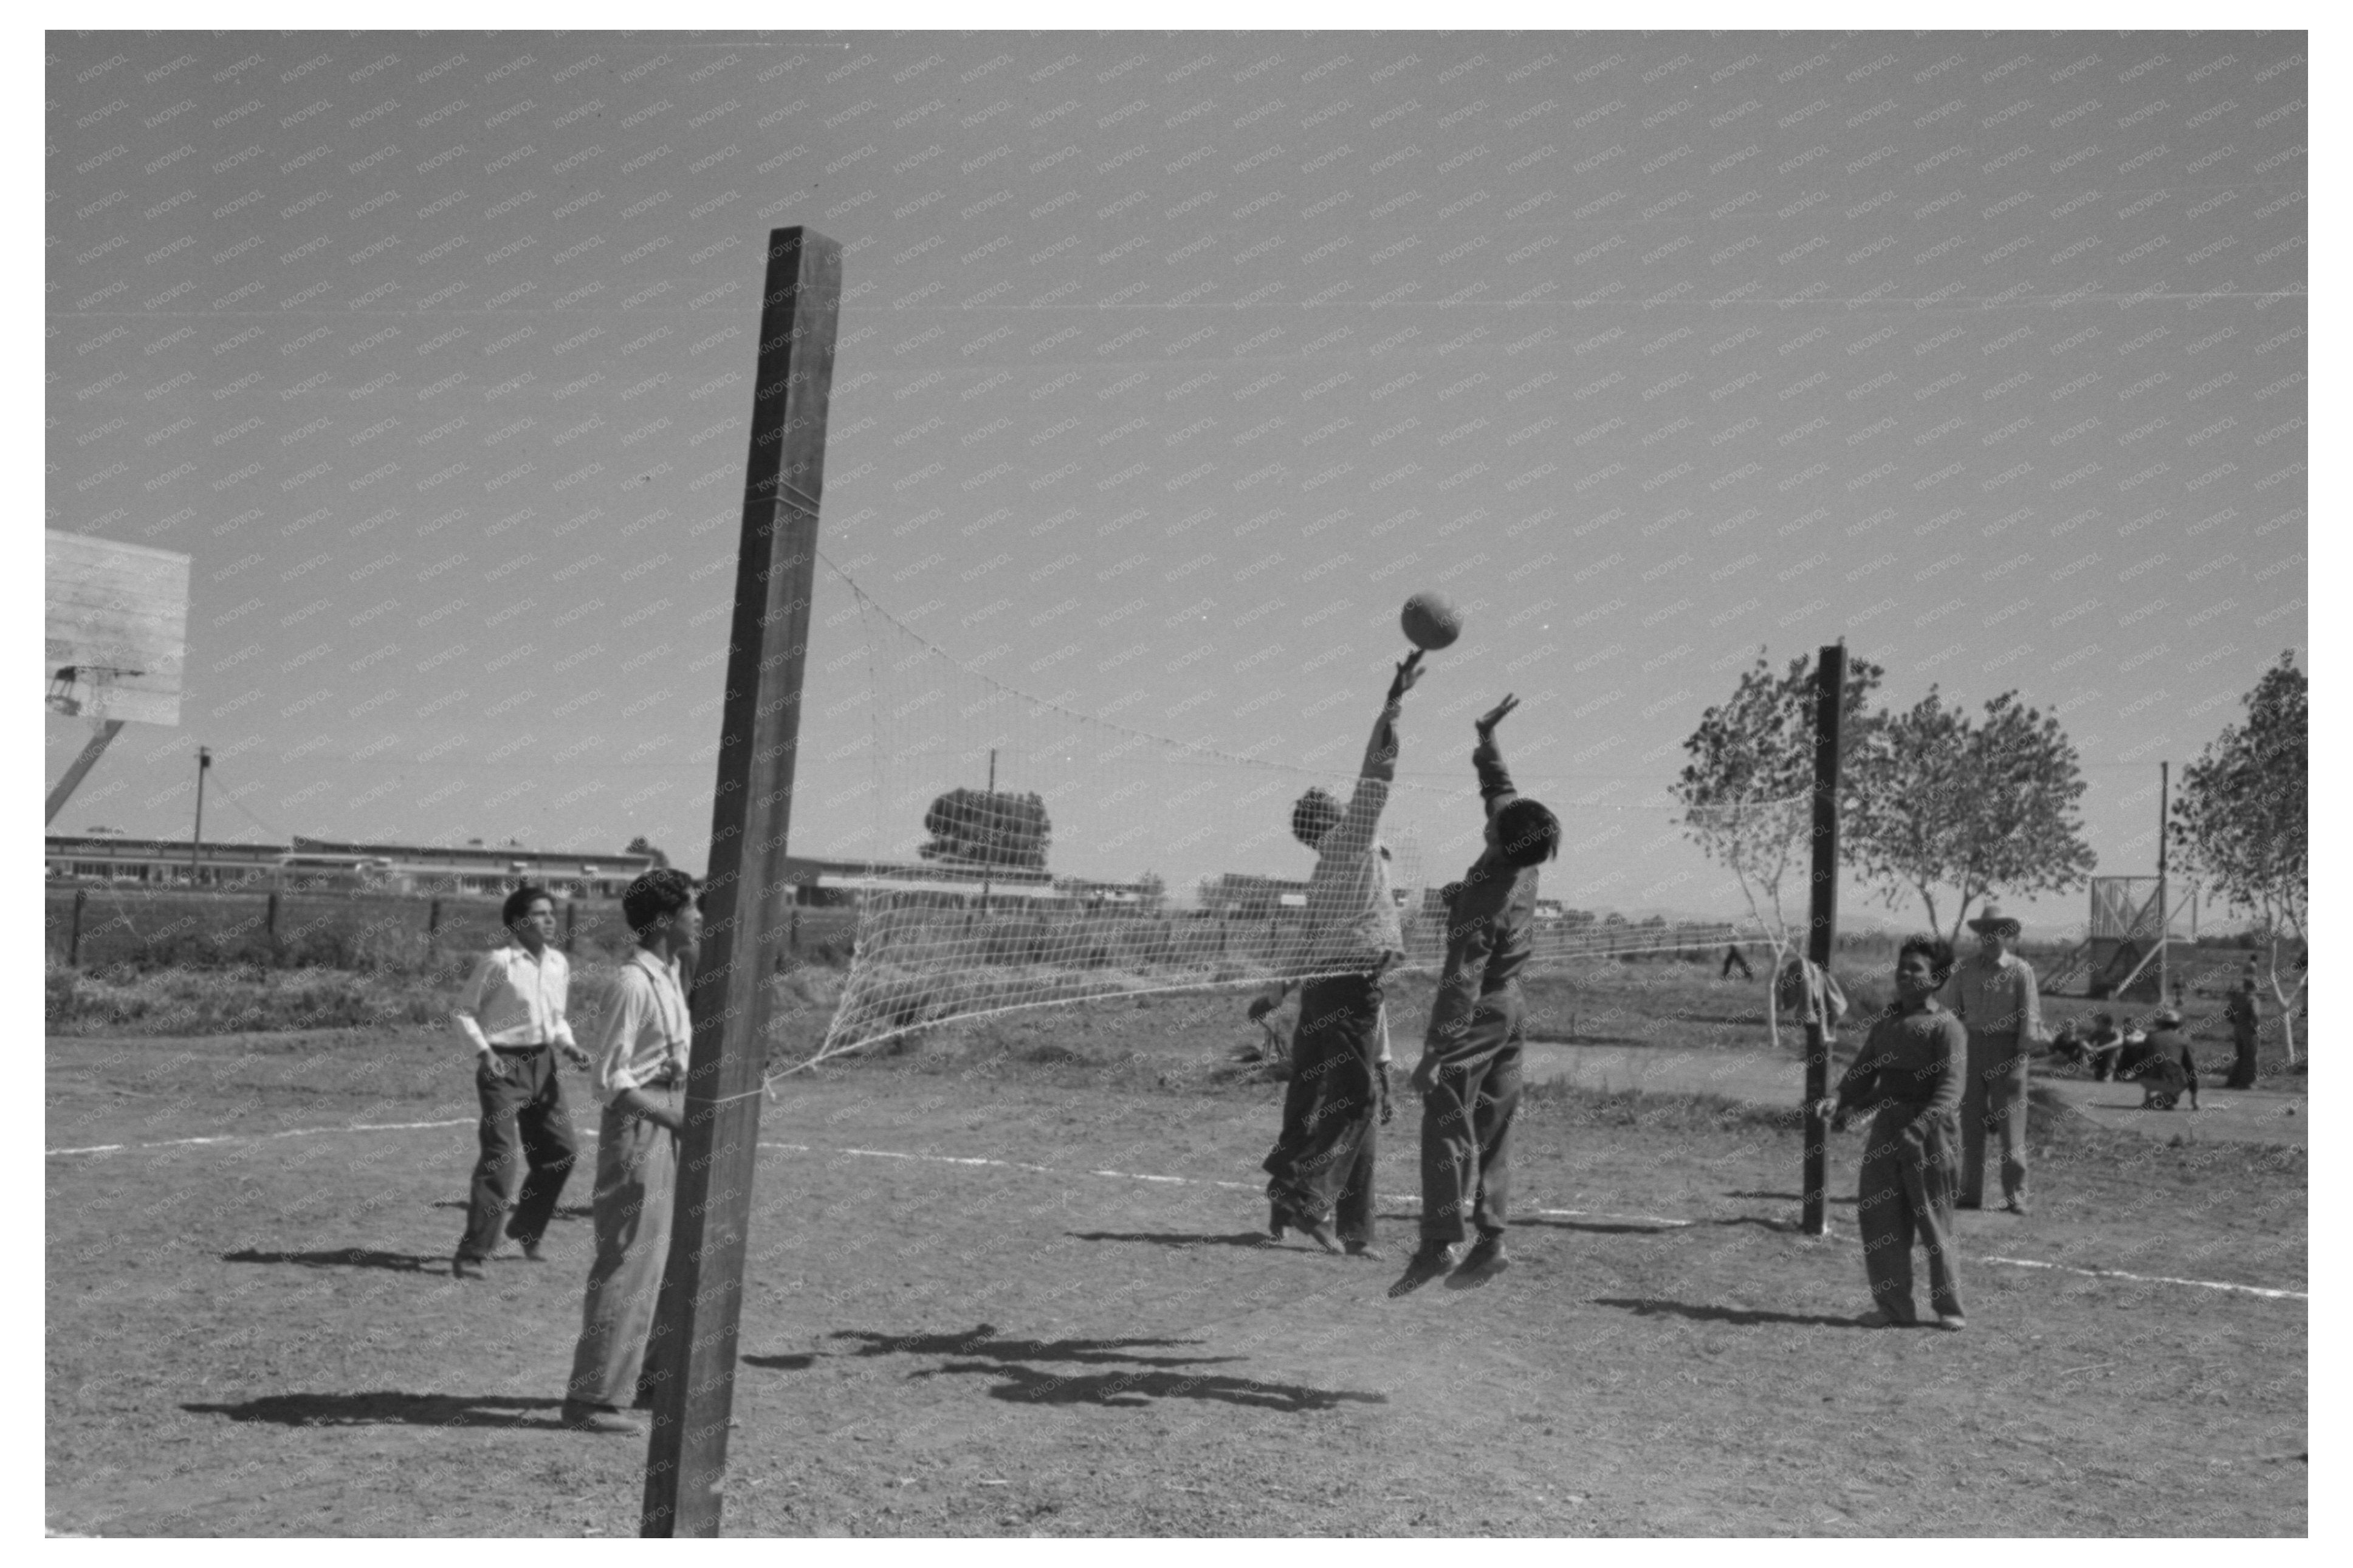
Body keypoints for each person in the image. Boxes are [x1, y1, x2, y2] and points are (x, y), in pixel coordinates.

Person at [1254, 650, 1424, 1258]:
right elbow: (1376, 775)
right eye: (1339, 802)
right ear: (1332, 817)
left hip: (1330, 988)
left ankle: (1349, 1226)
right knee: (1354, 1103)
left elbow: (1302, 943)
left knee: (1324, 1099)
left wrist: (1276, 992)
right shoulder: (1352, 841)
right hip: (1349, 986)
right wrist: (1391, 705)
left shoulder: (1327, 870)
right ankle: (1307, 1200)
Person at [1391, 694, 1561, 1297]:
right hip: (1514, 1008)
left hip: (1484, 1006)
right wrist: (1485, 736)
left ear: (1495, 837)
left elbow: (1461, 980)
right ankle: (1491, 1240)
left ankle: (1438, 1241)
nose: (1489, 815)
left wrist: (1434, 1056)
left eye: (1492, 819)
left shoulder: (1487, 893)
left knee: (1443, 1111)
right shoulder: (1525, 854)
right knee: (1493, 1123)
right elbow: (1501, 785)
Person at [562, 867, 701, 1435]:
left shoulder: (670, 974)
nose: (699, 917)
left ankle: (649, 1381)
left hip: (671, 1116)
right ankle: (591, 1398)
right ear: (666, 919)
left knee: (668, 1261)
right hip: (642, 1127)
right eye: (692, 908)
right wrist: (671, 1115)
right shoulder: (631, 983)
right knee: (628, 1259)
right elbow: (610, 1080)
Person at [1815, 935, 1967, 1330]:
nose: (1905, 973)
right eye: (1902, 966)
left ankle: (1949, 1308)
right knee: (1880, 1217)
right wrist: (1838, 1098)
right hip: (1887, 1129)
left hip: (1931, 1134)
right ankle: (1894, 1307)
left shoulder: (1947, 1027)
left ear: (1937, 977)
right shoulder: (1886, 1022)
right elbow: (1864, 1072)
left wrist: (1921, 1126)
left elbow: (1951, 1088)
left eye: (1916, 967)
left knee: (1934, 1220)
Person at [452, 886, 589, 1279]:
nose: (550, 920)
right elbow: (463, 1011)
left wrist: (570, 1046)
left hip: (543, 1063)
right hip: (501, 1064)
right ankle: (473, 1252)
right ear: (518, 922)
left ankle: (527, 1227)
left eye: (552, 913)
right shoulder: (499, 961)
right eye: (541, 913)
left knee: (562, 1152)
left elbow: (556, 1016)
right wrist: (485, 1054)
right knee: (501, 1156)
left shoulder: (559, 963)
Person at [1951, 904, 2043, 1215]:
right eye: (1986, 931)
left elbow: (2030, 1019)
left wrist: (2020, 1061)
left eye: (1999, 931)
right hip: (1971, 1046)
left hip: (2008, 1049)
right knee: (1970, 1124)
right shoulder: (1964, 970)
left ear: (2008, 935)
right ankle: (1969, 1193)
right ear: (1979, 935)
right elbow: (1950, 1013)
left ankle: (2016, 1196)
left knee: (2011, 1129)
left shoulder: (2020, 970)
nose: (1992, 937)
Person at [2121, 1006, 2201, 1112]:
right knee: (2182, 1070)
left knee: (2155, 1065)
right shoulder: (2184, 1039)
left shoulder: (2150, 1037)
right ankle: (2169, 1098)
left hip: (2145, 1080)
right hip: (2171, 1083)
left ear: (2159, 1024)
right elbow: (2192, 1069)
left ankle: (2150, 1098)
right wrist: (2194, 1101)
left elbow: (2141, 1058)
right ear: (2179, 1025)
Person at [2223, 979, 2262, 1089]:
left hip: (2238, 1030)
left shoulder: (2238, 998)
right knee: (2251, 1057)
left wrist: (2236, 1023)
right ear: (2254, 987)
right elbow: (2255, 1014)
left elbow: (2227, 1013)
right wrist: (2256, 1026)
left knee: (2241, 1056)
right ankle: (2247, 1083)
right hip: (2249, 1031)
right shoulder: (2254, 1000)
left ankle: (2233, 1080)